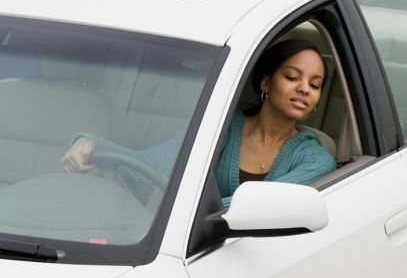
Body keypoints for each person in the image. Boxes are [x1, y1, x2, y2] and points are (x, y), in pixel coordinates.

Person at [62, 39, 336, 206]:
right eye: (292, 77)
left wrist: (191, 217)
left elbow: (261, 207)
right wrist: (91, 145)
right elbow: (152, 164)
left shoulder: (316, 160)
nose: (304, 89)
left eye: (315, 85)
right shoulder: (220, 128)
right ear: (266, 82)